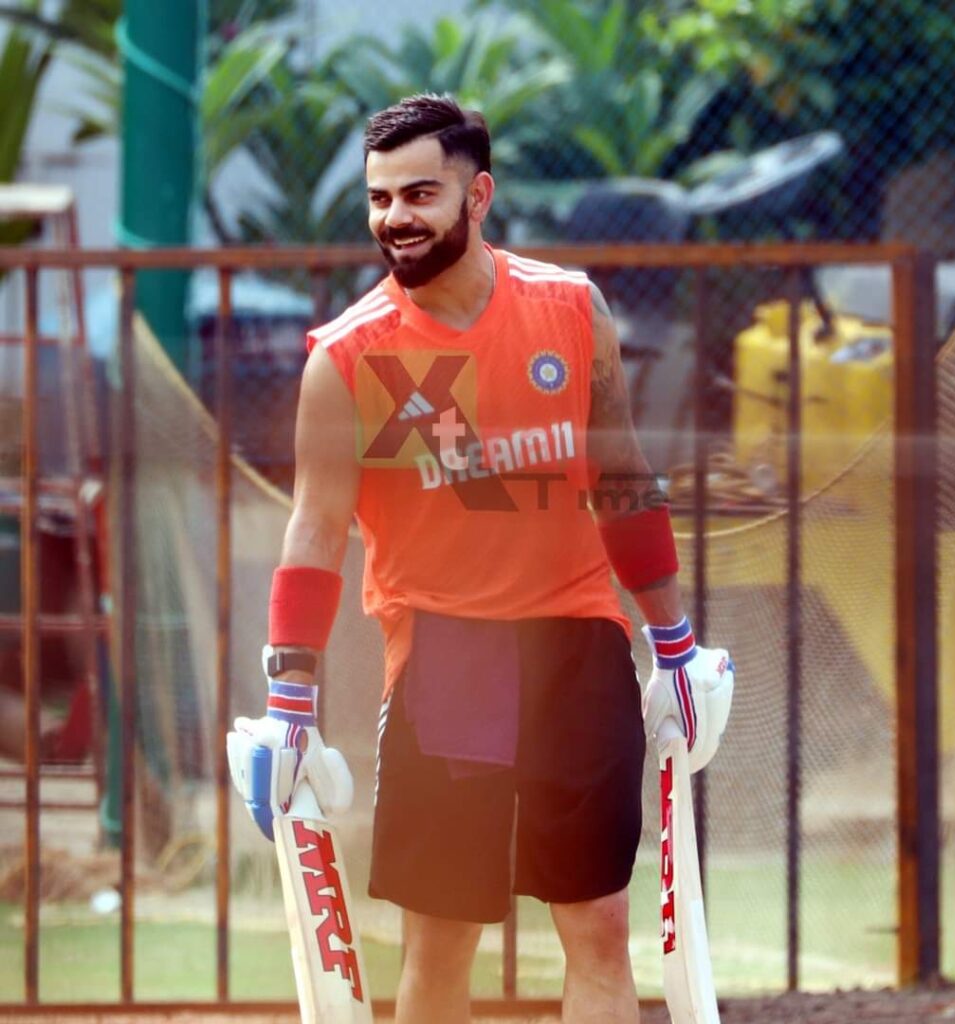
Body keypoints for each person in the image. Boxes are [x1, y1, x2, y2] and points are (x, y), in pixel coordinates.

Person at [228, 94, 733, 1024]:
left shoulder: (573, 311)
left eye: (420, 193)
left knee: (598, 932)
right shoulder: (344, 358)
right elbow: (314, 530)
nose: (395, 218)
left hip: (576, 645)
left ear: (480, 194)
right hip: (443, 659)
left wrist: (676, 646)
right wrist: (289, 704)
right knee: (440, 946)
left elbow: (622, 479)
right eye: (380, 198)